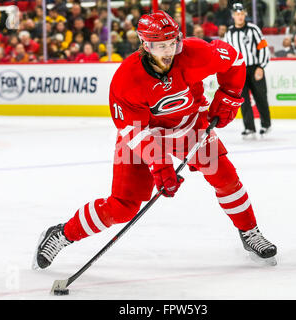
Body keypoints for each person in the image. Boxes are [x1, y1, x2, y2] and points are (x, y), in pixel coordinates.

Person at [33, 10, 277, 271]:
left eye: (172, 43)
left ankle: (249, 232)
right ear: (145, 45)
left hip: (188, 127)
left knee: (226, 179)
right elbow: (134, 131)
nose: (169, 50)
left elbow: (235, 59)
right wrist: (160, 166)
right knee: (123, 207)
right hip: (142, 137)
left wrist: (229, 94)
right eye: (160, 45)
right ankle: (62, 234)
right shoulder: (126, 79)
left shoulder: (195, 53)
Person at [224, 3, 271, 139]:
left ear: (245, 14)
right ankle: (249, 127)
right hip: (238, 71)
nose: (239, 16)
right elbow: (227, 53)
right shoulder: (229, 33)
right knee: (243, 99)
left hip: (255, 67)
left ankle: (265, 124)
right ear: (233, 16)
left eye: (242, 13)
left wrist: (261, 66)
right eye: (237, 14)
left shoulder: (253, 29)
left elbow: (263, 46)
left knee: (261, 96)